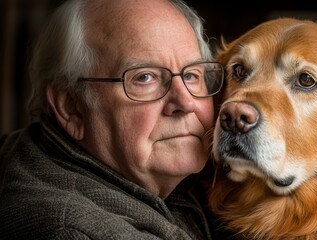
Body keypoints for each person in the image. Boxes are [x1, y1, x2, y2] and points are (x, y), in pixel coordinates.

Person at [0, 0, 224, 239]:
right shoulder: (76, 231)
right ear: (72, 108)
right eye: (144, 78)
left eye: (191, 75)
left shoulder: (165, 175)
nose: (186, 102)